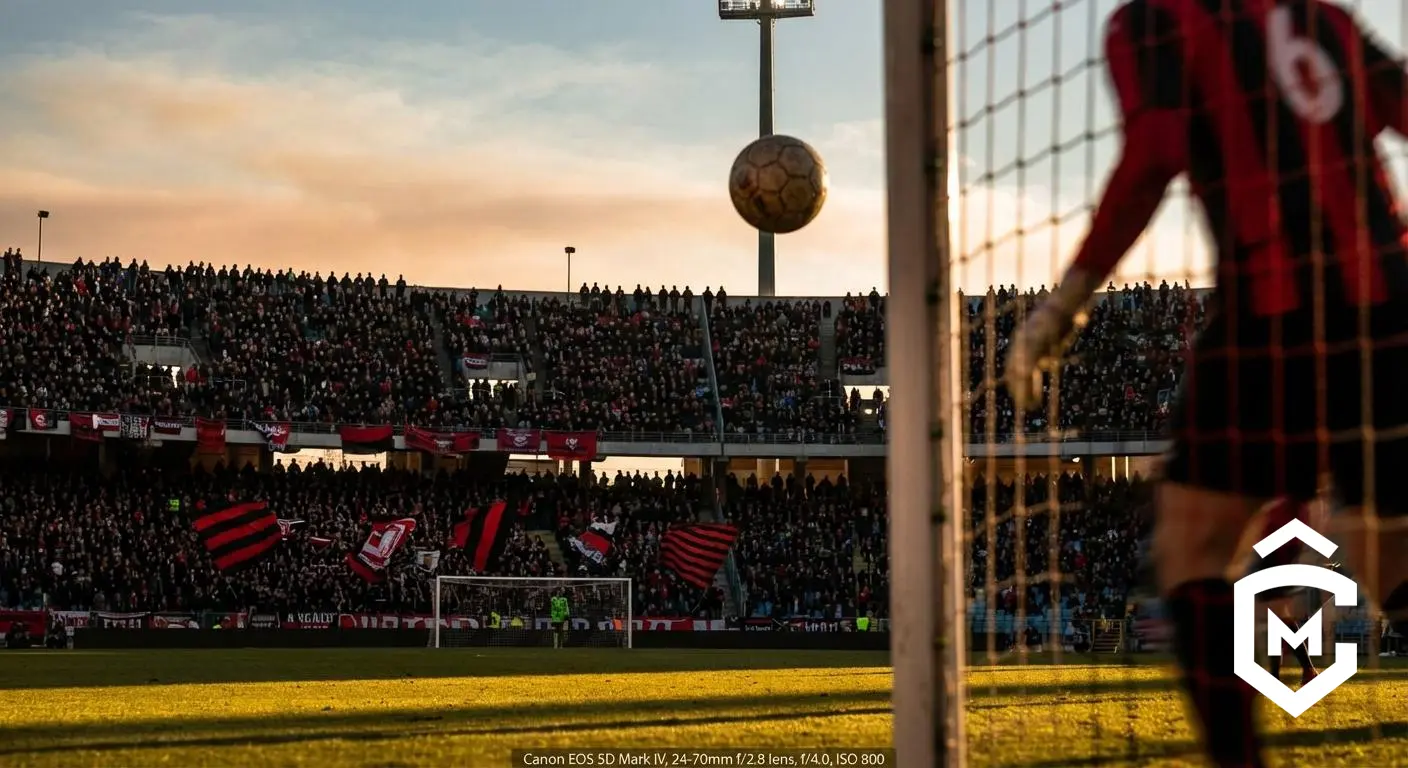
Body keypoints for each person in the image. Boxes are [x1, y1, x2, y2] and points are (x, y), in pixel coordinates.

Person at [1005, 2, 1408, 766]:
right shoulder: (1322, 17)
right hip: (1390, 310)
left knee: (1192, 547)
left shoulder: (1152, 20)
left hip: (1271, 311)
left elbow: (1154, 151)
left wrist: (1063, 305)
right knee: (1390, 567)